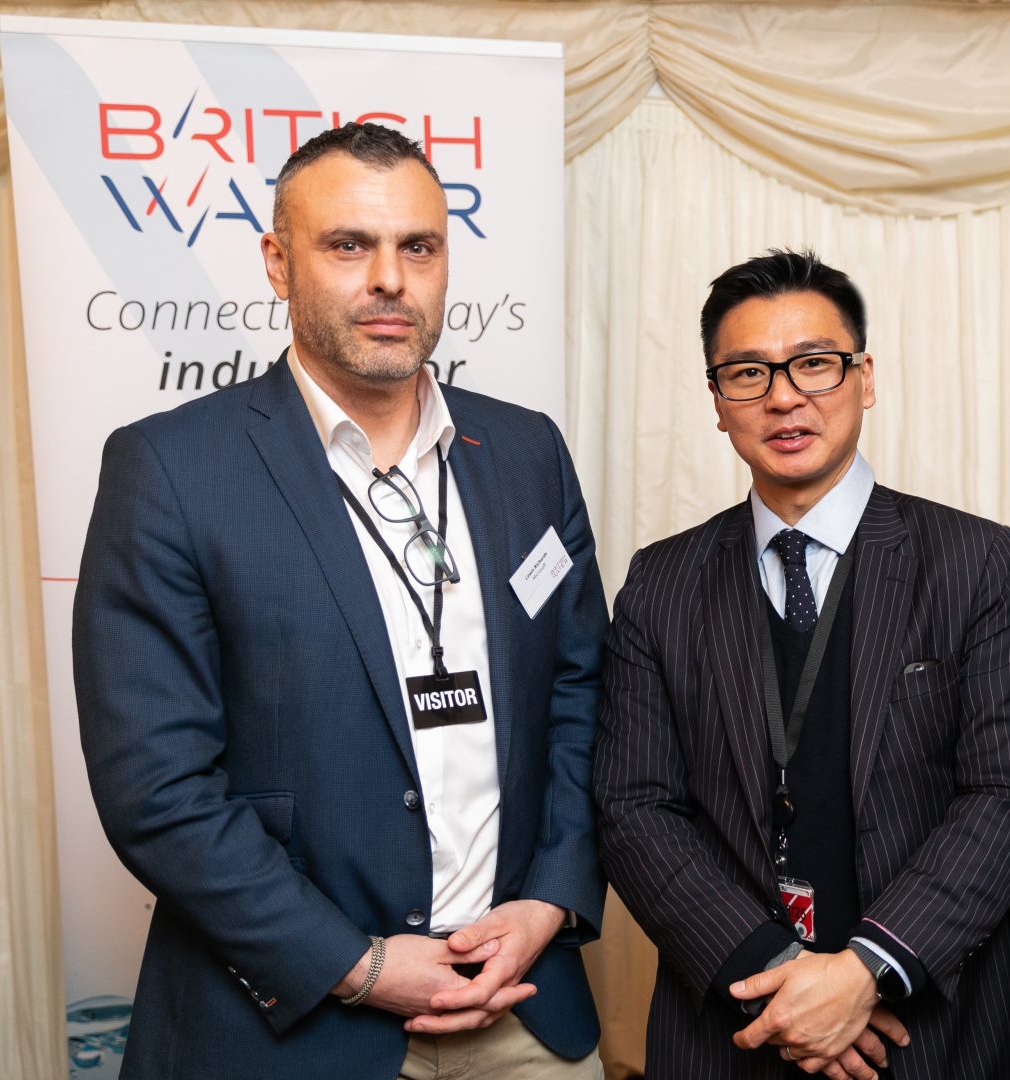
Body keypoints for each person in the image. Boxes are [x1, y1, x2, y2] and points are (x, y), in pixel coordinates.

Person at [72, 122, 608, 1079]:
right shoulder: (170, 469)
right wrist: (355, 966)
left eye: (419, 246)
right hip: (292, 1027)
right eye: (349, 245)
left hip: (523, 1006)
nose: (391, 280)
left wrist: (552, 899)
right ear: (278, 263)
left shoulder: (529, 455)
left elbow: (580, 694)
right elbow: (157, 787)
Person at [593, 250, 1010, 1080]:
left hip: (927, 1034)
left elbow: (1008, 795)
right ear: (716, 401)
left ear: (863, 378)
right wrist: (780, 982)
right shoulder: (660, 582)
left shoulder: (972, 562)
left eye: (814, 363)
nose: (782, 395)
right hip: (730, 1033)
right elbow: (634, 810)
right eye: (746, 373)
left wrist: (865, 972)